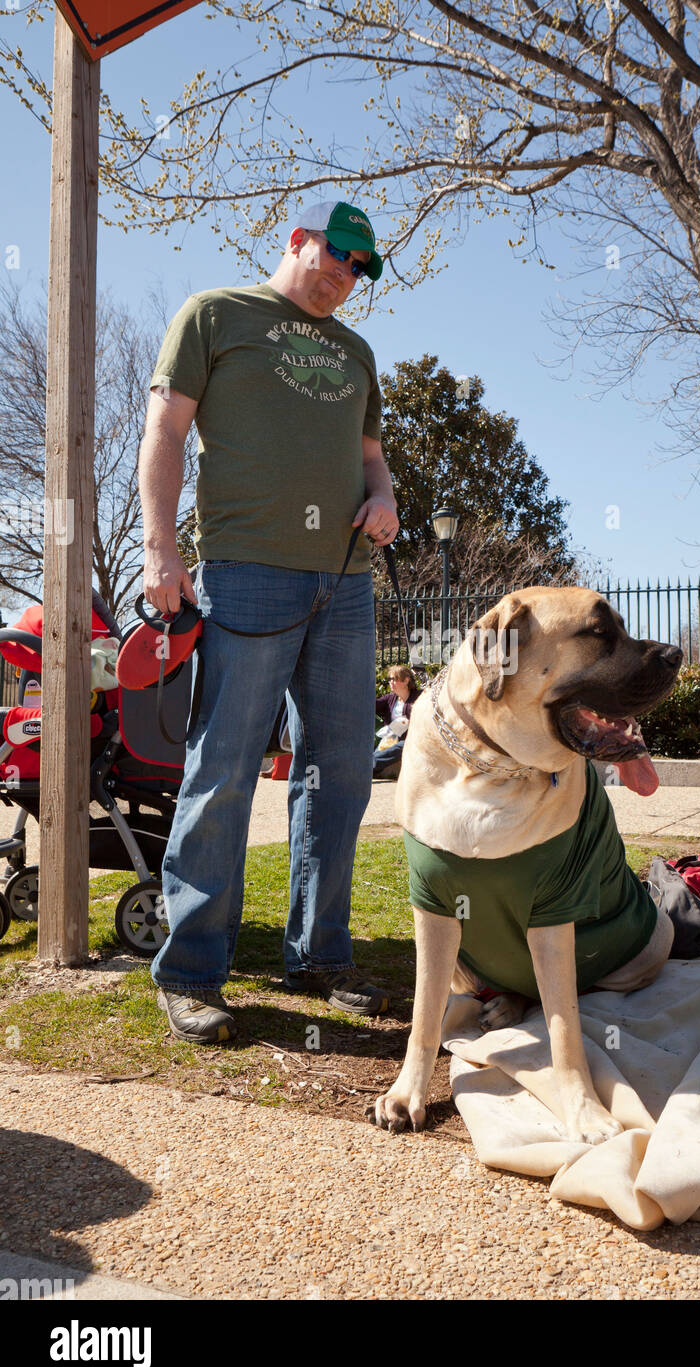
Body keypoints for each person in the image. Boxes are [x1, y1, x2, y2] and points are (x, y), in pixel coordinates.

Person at [139, 199, 399, 1044]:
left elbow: (370, 460)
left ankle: (320, 956)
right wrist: (158, 549)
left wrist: (387, 499)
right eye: (338, 256)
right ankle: (189, 973)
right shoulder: (215, 315)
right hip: (245, 574)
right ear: (298, 241)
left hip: (346, 584)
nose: (345, 277)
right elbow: (166, 427)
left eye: (361, 269)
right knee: (223, 774)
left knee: (342, 776)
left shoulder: (357, 353)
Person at [373, 665, 420, 779]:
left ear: (406, 681)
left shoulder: (419, 697)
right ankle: (370, 765)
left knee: (403, 745)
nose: (391, 682)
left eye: (394, 679)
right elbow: (371, 706)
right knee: (388, 746)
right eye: (390, 679)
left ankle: (368, 764)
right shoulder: (390, 698)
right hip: (390, 738)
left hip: (411, 739)